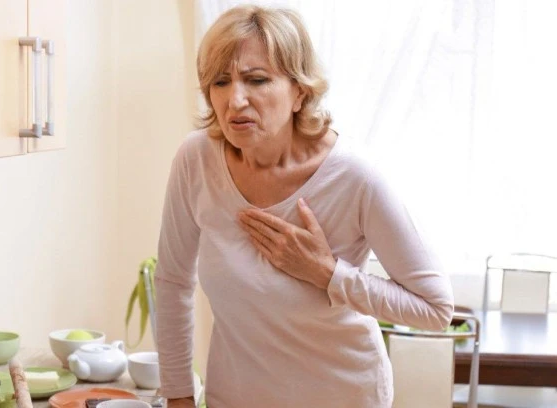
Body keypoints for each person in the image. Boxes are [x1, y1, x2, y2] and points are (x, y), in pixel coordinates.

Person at [154, 5, 454, 408]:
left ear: (300, 91)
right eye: (220, 82)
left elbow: (436, 308)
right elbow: (173, 283)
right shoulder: (196, 160)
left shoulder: (355, 177)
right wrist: (178, 396)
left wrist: (327, 273)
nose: (235, 100)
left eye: (257, 79)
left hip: (343, 397)